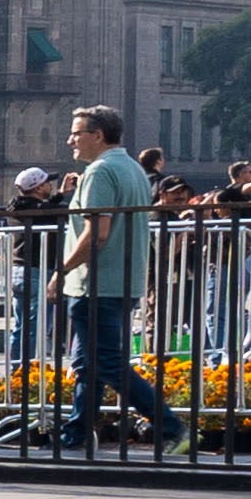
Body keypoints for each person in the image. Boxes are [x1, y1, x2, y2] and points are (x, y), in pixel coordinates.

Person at [61, 106, 174, 452]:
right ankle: (76, 433)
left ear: (98, 136)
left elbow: (97, 234)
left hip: (95, 282)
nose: (70, 141)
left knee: (108, 364)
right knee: (88, 365)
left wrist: (61, 271)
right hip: (122, 280)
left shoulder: (100, 171)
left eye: (76, 134)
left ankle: (173, 428)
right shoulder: (132, 168)